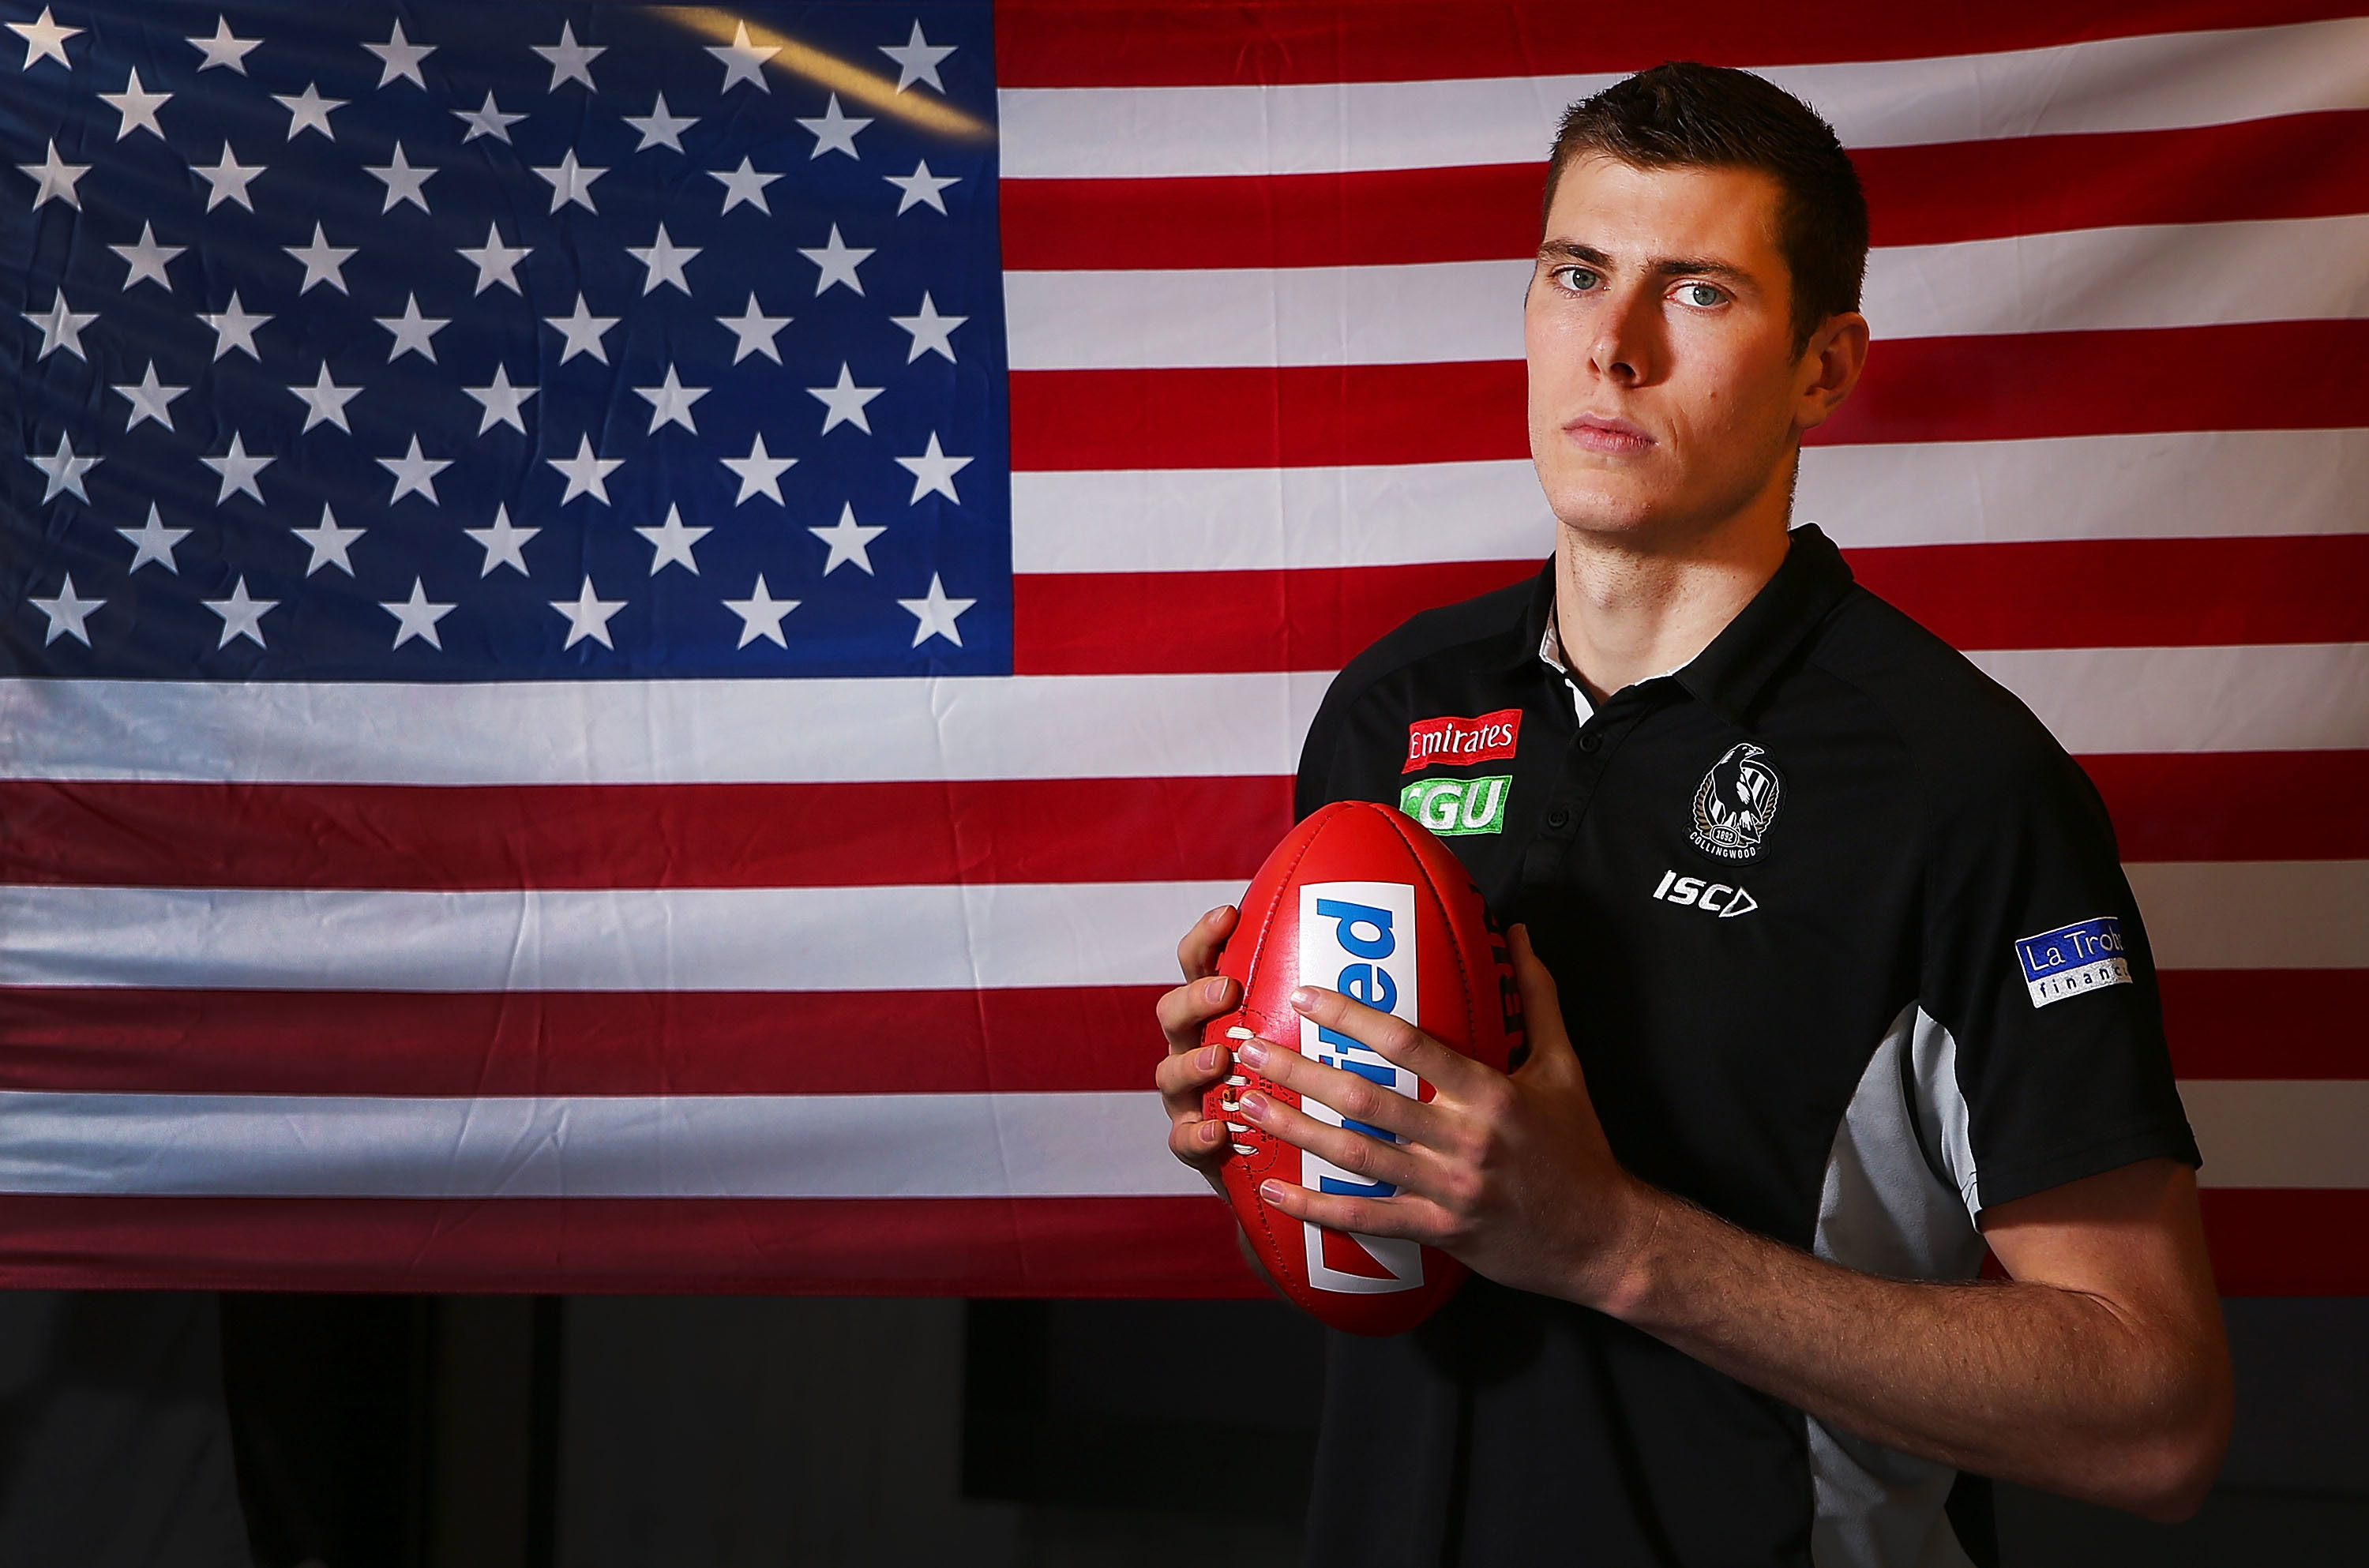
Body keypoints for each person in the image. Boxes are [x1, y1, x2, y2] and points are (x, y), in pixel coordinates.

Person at [1154, 62, 2230, 1568]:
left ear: (1825, 366)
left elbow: (2156, 1412)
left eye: (1700, 291)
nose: (1613, 347)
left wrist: (1608, 1241)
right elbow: (1394, 1275)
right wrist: (1288, 1158)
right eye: (1576, 272)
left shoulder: (1963, 786)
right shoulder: (1390, 712)